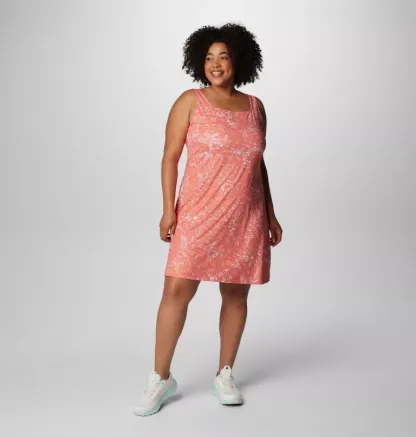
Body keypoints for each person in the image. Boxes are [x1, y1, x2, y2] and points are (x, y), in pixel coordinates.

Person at [133, 22, 283, 417]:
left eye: (224, 57)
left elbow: (257, 164)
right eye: (209, 58)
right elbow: (170, 156)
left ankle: (225, 373)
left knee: (236, 294)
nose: (216, 64)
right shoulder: (190, 101)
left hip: (246, 215)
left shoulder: (256, 107)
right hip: (198, 214)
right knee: (176, 291)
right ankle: (160, 377)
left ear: (238, 61)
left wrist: (271, 214)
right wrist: (169, 209)